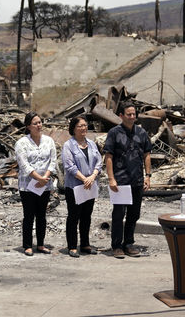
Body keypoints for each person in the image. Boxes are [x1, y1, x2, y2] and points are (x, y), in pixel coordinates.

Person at [104, 101, 152, 259]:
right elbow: (108, 156)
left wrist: (148, 176)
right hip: (121, 181)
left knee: (134, 214)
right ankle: (116, 245)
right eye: (129, 114)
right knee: (119, 214)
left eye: (134, 114)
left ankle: (128, 243)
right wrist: (111, 179)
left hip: (137, 180)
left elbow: (147, 154)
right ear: (121, 116)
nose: (132, 117)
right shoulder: (114, 133)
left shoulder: (142, 133)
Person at [14, 112, 57, 256]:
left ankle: (40, 244)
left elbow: (53, 161)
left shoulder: (49, 141)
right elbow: (24, 165)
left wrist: (45, 177)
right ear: (28, 126)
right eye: (35, 123)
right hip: (28, 186)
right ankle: (27, 245)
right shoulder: (21, 143)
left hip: (44, 184)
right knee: (29, 215)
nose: (39, 125)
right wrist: (38, 178)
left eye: (40, 122)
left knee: (41, 215)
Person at [62, 116, 102, 258]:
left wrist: (93, 176)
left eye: (85, 125)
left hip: (90, 185)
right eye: (80, 126)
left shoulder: (91, 144)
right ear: (73, 128)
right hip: (75, 186)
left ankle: (85, 244)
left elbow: (99, 161)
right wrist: (84, 178)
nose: (84, 128)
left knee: (87, 215)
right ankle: (72, 245)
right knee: (74, 216)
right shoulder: (69, 145)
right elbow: (69, 166)